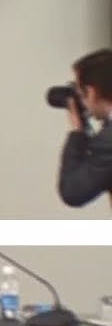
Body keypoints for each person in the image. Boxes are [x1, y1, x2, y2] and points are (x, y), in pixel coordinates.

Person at [58, 48, 112, 207]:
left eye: (81, 93)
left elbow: (73, 191)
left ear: (91, 92)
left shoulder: (107, 142)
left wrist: (77, 132)